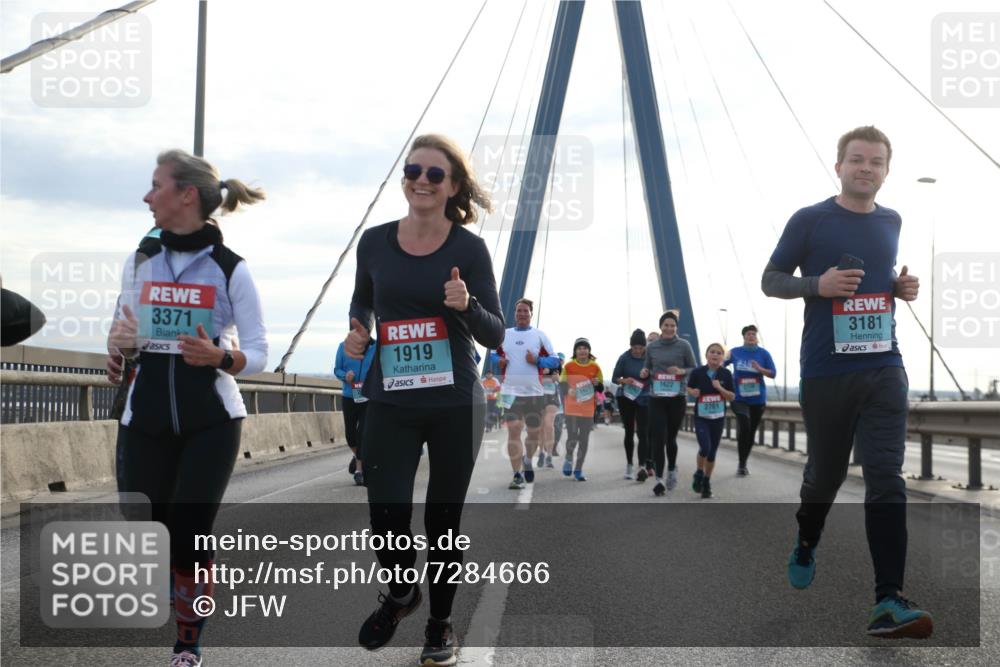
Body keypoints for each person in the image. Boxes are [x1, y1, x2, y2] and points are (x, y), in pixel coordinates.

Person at [762, 125, 931, 639]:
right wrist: (819, 285)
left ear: (885, 170)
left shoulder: (892, 221)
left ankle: (888, 601)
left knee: (885, 476)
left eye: (876, 162)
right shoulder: (810, 220)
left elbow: (878, 279)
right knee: (826, 478)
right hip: (826, 371)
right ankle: (807, 539)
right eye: (856, 159)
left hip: (884, 366)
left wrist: (898, 287)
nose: (866, 168)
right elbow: (771, 280)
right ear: (839, 166)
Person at [346, 133, 504, 665]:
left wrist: (466, 304)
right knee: (385, 510)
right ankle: (401, 595)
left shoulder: (469, 249)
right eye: (414, 170)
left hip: (454, 401)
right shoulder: (374, 242)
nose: (421, 180)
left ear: (453, 185)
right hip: (391, 398)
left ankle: (439, 626)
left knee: (442, 520)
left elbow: (496, 334)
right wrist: (357, 331)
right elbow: (363, 302)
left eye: (435, 174)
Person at [110, 149, 267, 667]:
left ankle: (187, 642)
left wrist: (221, 355)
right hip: (145, 415)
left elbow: (260, 354)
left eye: (156, 185)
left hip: (212, 420)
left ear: (186, 195)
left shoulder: (230, 269)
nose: (146, 195)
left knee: (190, 532)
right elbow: (121, 335)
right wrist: (120, 347)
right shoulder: (142, 260)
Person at [495, 298, 557, 489]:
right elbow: (493, 354)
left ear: (531, 314)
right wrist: (499, 360)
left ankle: (528, 460)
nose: (522, 314)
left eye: (525, 311)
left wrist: (538, 360)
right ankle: (516, 475)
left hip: (534, 393)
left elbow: (555, 361)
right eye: (519, 311)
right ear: (515, 314)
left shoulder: (540, 335)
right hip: (509, 391)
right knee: (514, 429)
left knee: (533, 433)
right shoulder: (504, 334)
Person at [640, 311, 696, 495]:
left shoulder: (684, 345)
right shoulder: (652, 347)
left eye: (673, 325)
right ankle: (659, 479)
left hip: (677, 397)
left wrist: (680, 371)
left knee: (670, 438)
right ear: (661, 327)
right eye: (666, 325)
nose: (669, 328)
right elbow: (647, 366)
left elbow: (693, 369)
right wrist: (645, 372)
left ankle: (672, 468)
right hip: (657, 397)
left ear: (676, 328)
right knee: (658, 438)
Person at [724, 324, 777, 475]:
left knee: (750, 432)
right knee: (744, 424)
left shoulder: (764, 354)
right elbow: (721, 362)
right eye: (748, 334)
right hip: (738, 397)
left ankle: (742, 463)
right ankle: (742, 463)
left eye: (753, 334)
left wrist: (760, 369)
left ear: (756, 337)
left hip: (757, 399)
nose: (751, 336)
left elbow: (773, 373)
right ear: (744, 337)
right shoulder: (734, 352)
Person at [686, 343, 736, 499]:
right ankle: (699, 472)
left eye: (719, 353)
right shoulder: (698, 372)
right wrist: (692, 391)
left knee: (712, 453)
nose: (715, 355)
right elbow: (688, 388)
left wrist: (720, 388)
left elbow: (732, 396)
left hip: (718, 418)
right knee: (705, 448)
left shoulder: (726, 374)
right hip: (702, 418)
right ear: (706, 355)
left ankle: (706, 482)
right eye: (712, 352)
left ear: (723, 357)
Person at [559, 337, 603, 481]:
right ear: (575, 351)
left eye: (585, 348)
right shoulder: (569, 366)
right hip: (572, 408)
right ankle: (569, 457)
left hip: (587, 409)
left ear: (589, 351)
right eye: (579, 348)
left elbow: (601, 388)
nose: (582, 350)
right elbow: (562, 384)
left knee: (584, 439)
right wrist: (568, 391)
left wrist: (597, 384)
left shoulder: (595, 367)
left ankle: (578, 469)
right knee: (572, 437)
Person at [334, 338, 375, 485]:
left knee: (362, 434)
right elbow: (336, 369)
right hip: (349, 396)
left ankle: (359, 470)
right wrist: (345, 376)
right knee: (350, 436)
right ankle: (358, 454)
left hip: (368, 397)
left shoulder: (376, 347)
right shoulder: (343, 346)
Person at [612, 329, 649, 480]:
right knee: (629, 431)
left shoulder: (650, 358)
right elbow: (615, 378)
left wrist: (648, 376)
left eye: (641, 348)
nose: (638, 351)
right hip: (626, 397)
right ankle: (629, 465)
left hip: (645, 397)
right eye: (635, 348)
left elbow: (656, 376)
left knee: (643, 433)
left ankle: (642, 466)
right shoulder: (624, 357)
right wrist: (624, 380)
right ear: (630, 346)